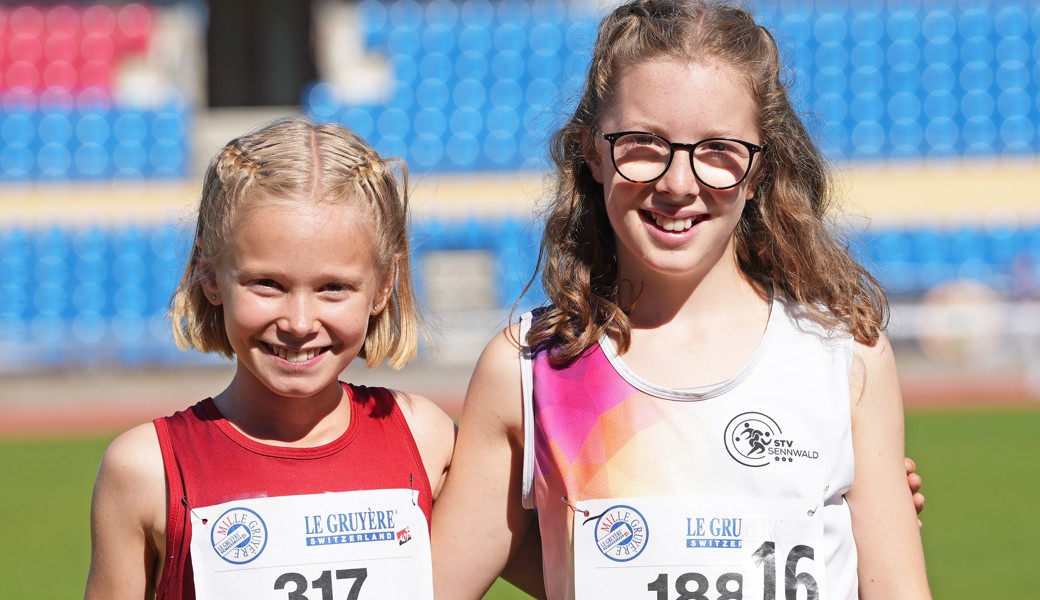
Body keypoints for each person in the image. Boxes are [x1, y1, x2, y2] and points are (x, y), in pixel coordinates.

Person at [432, 1, 931, 599]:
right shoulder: (526, 368)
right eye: (643, 142)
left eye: (718, 148)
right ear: (590, 151)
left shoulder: (845, 359)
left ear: (760, 171)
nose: (677, 183)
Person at [84, 118, 456, 599]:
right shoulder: (144, 469)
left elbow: (567, 571)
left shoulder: (427, 438)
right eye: (268, 284)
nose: (299, 323)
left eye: (333, 288)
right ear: (211, 277)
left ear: (384, 285)